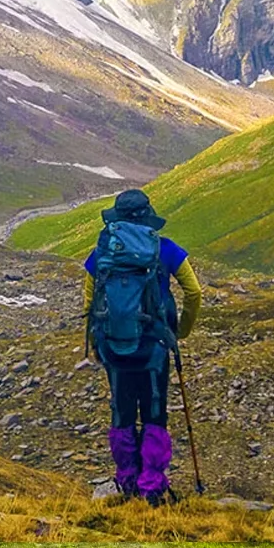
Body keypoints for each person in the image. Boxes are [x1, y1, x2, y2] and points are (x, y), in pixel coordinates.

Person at [83, 188, 201, 504]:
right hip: (154, 348)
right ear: (148, 218)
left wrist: (98, 338)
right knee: (154, 412)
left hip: (114, 348)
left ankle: (127, 480)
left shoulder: (102, 253)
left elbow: (89, 300)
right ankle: (151, 487)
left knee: (121, 411)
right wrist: (182, 331)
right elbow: (194, 292)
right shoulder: (166, 250)